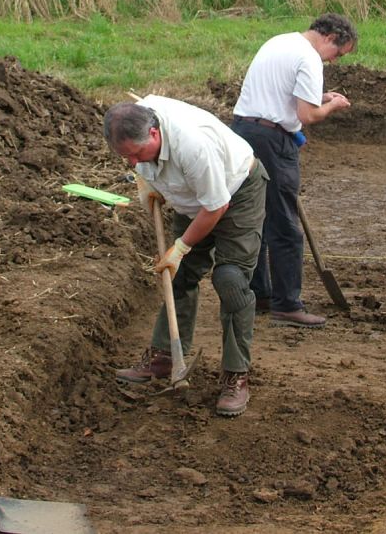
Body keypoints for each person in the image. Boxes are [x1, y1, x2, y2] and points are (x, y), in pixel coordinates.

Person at [103, 95, 268, 417]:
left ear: (154, 134)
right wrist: (145, 183)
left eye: (137, 155)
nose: (133, 162)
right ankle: (165, 357)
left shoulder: (193, 146)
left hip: (235, 192)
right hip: (192, 198)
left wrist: (180, 248)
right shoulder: (138, 121)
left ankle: (236, 375)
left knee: (231, 279)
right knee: (176, 275)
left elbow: (216, 206)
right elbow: (140, 161)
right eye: (126, 158)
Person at [230, 13, 357, 327]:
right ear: (330, 38)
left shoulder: (279, 42)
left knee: (254, 215)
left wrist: (319, 96)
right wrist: (331, 105)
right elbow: (308, 115)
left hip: (245, 133)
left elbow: (280, 93)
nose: (334, 61)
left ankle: (259, 292)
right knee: (285, 224)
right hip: (274, 141)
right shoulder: (309, 58)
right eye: (338, 54)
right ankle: (287, 304)